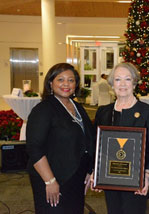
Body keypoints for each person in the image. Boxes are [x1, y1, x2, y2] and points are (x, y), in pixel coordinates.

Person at [26, 63, 95, 214]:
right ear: (51, 83)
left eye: (71, 80)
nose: (66, 84)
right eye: (60, 79)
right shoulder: (43, 109)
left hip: (76, 178)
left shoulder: (77, 107)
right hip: (53, 177)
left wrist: (90, 170)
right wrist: (50, 181)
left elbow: (88, 139)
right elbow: (34, 148)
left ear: (76, 84)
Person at [92, 62, 149, 214]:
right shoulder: (103, 112)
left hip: (136, 181)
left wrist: (146, 176)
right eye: (117, 79)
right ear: (112, 84)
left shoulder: (148, 112)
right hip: (110, 179)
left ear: (134, 83)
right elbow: (97, 145)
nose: (122, 84)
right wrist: (95, 172)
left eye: (127, 79)